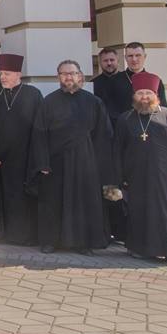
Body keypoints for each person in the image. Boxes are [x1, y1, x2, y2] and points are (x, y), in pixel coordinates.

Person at [30, 60, 115, 254]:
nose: (68, 77)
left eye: (72, 73)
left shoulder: (94, 102)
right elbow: (39, 134)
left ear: (80, 75)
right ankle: (51, 241)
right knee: (53, 202)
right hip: (56, 162)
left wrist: (99, 164)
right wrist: (42, 162)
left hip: (86, 163)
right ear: (58, 77)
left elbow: (103, 136)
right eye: (64, 74)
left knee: (83, 203)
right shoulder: (48, 102)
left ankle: (83, 243)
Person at [115, 72, 167, 263]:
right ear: (134, 95)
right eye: (140, 93)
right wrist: (120, 177)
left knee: (166, 213)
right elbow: (117, 150)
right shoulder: (125, 119)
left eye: (148, 93)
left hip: (165, 177)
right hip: (136, 176)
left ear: (155, 95)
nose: (144, 97)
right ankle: (140, 249)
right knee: (139, 211)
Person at [0, 54, 43, 246]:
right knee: (5, 198)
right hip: (2, 159)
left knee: (24, 199)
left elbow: (40, 128)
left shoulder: (33, 94)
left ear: (18, 74)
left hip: (26, 157)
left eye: (7, 73)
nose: (2, 77)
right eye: (1, 73)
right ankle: (7, 235)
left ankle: (27, 237)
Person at [92, 47, 122, 120]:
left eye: (112, 60)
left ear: (118, 61)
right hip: (102, 125)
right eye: (105, 60)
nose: (109, 63)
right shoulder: (93, 83)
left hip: (124, 125)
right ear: (100, 63)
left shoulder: (127, 80)